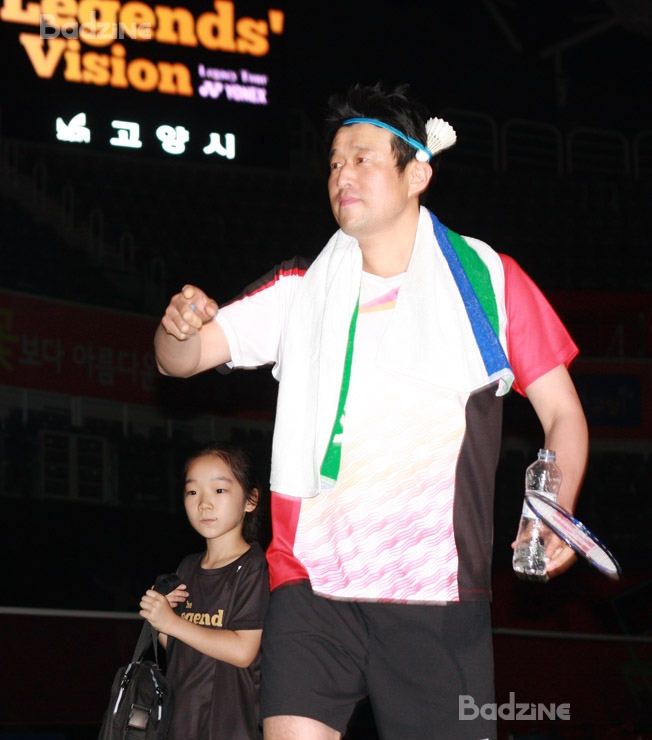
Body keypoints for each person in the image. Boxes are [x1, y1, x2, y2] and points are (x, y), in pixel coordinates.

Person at [153, 82, 588, 740]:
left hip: (433, 591)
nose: (342, 175)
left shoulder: (488, 281)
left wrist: (555, 507)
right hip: (309, 585)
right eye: (334, 162)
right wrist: (177, 330)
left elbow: (563, 414)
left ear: (417, 173)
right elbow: (179, 361)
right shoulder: (300, 290)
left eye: (362, 158)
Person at [139, 441, 270, 740]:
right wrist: (159, 619)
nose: (204, 504)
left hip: (231, 726)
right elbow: (181, 648)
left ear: (250, 500)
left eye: (219, 490)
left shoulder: (254, 567)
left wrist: (173, 622)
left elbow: (242, 651)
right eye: (192, 492)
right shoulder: (187, 566)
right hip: (181, 722)